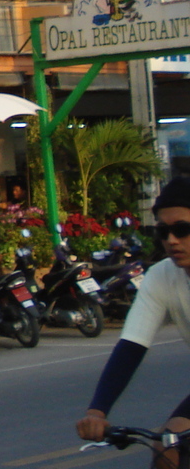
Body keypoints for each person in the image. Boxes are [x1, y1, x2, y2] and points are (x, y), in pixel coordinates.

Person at [78, 177, 190, 443]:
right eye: (163, 232)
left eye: (182, 229)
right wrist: (97, 411)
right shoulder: (162, 276)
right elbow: (131, 346)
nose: (171, 240)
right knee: (170, 451)